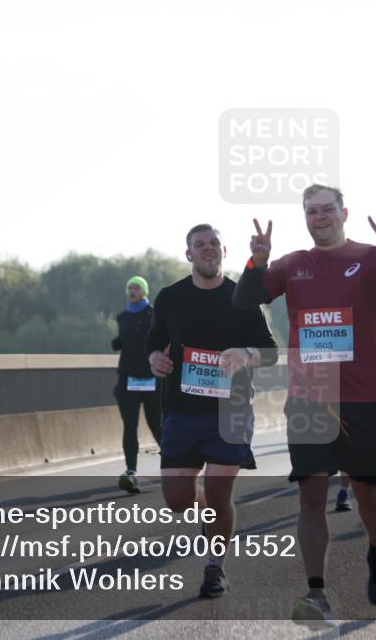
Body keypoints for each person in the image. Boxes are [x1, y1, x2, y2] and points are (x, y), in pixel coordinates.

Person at [233, 184, 376, 627]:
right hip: (309, 395)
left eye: (326, 210)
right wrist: (257, 262)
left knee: (365, 493)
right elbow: (244, 301)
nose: (319, 217)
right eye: (311, 211)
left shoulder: (371, 257)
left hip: (364, 396)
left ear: (344, 212)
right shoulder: (293, 264)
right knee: (310, 498)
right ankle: (317, 593)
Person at [145, 224, 278, 599]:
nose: (208, 249)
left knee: (221, 494)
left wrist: (246, 355)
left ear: (224, 250)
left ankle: (214, 569)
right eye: (199, 245)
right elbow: (154, 339)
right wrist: (154, 357)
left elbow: (270, 351)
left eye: (214, 244)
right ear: (189, 254)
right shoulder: (170, 297)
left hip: (230, 411)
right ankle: (204, 507)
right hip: (182, 411)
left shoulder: (242, 297)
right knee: (178, 501)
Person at [111, 276, 163, 494]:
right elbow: (123, 341)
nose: (132, 291)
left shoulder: (153, 314)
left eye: (136, 288)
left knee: (155, 423)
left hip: (151, 377)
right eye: (129, 288)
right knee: (130, 425)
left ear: (144, 291)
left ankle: (172, 463)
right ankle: (131, 471)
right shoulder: (122, 317)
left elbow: (159, 340)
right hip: (128, 379)